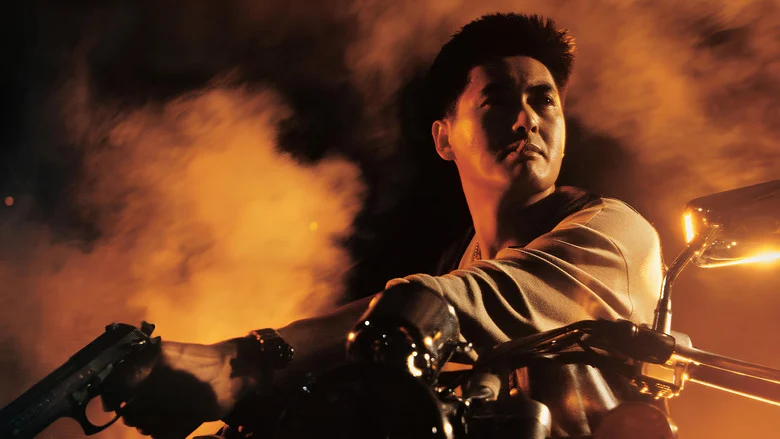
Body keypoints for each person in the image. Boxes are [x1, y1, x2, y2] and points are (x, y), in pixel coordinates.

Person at [108, 13, 664, 438]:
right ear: (444, 138)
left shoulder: (613, 235)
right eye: (498, 101)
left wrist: (241, 364)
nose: (527, 120)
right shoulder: (459, 262)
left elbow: (451, 304)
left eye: (545, 102)